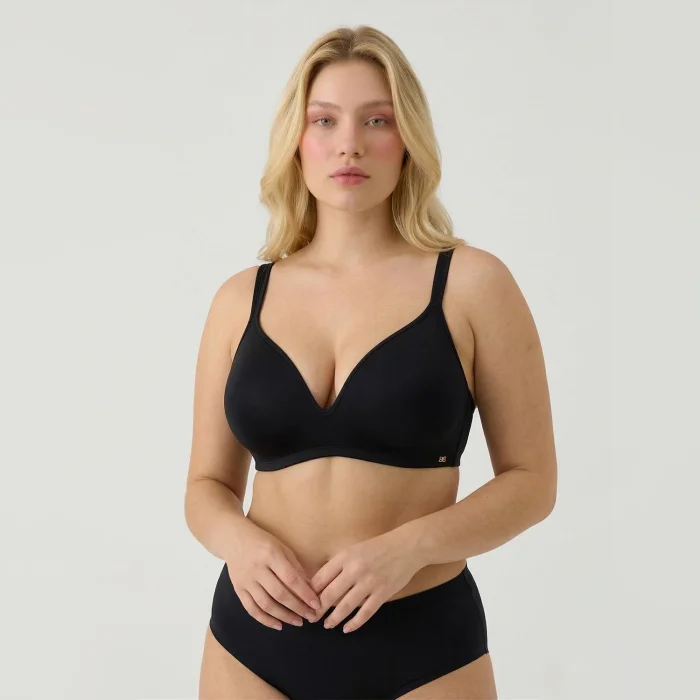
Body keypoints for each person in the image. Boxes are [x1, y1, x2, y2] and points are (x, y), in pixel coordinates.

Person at [185, 24, 557, 700]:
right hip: (252, 643)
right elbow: (206, 486)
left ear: (407, 138)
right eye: (324, 120)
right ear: (296, 141)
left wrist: (409, 547)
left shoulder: (472, 285)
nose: (349, 143)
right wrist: (240, 543)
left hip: (422, 642)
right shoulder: (240, 300)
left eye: (377, 120)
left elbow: (532, 482)